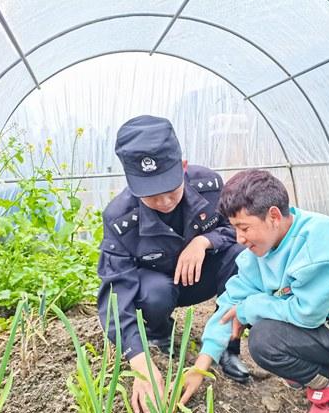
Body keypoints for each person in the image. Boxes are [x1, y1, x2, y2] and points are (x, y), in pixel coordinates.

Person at [180, 169, 329, 413]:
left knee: (265, 340)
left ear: (273, 216)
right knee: (262, 325)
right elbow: (231, 302)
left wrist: (250, 308)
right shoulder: (263, 248)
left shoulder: (318, 244)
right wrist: (199, 368)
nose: (239, 238)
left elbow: (307, 314)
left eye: (244, 228)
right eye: (235, 229)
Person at [97, 115, 249, 413]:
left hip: (202, 277)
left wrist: (205, 241)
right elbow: (115, 296)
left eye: (171, 191)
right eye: (153, 197)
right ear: (133, 185)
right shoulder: (119, 218)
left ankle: (228, 346)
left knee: (240, 258)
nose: (165, 202)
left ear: (183, 167)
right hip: (158, 288)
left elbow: (238, 230)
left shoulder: (209, 186)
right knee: (154, 292)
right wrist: (139, 362)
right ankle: (159, 334)